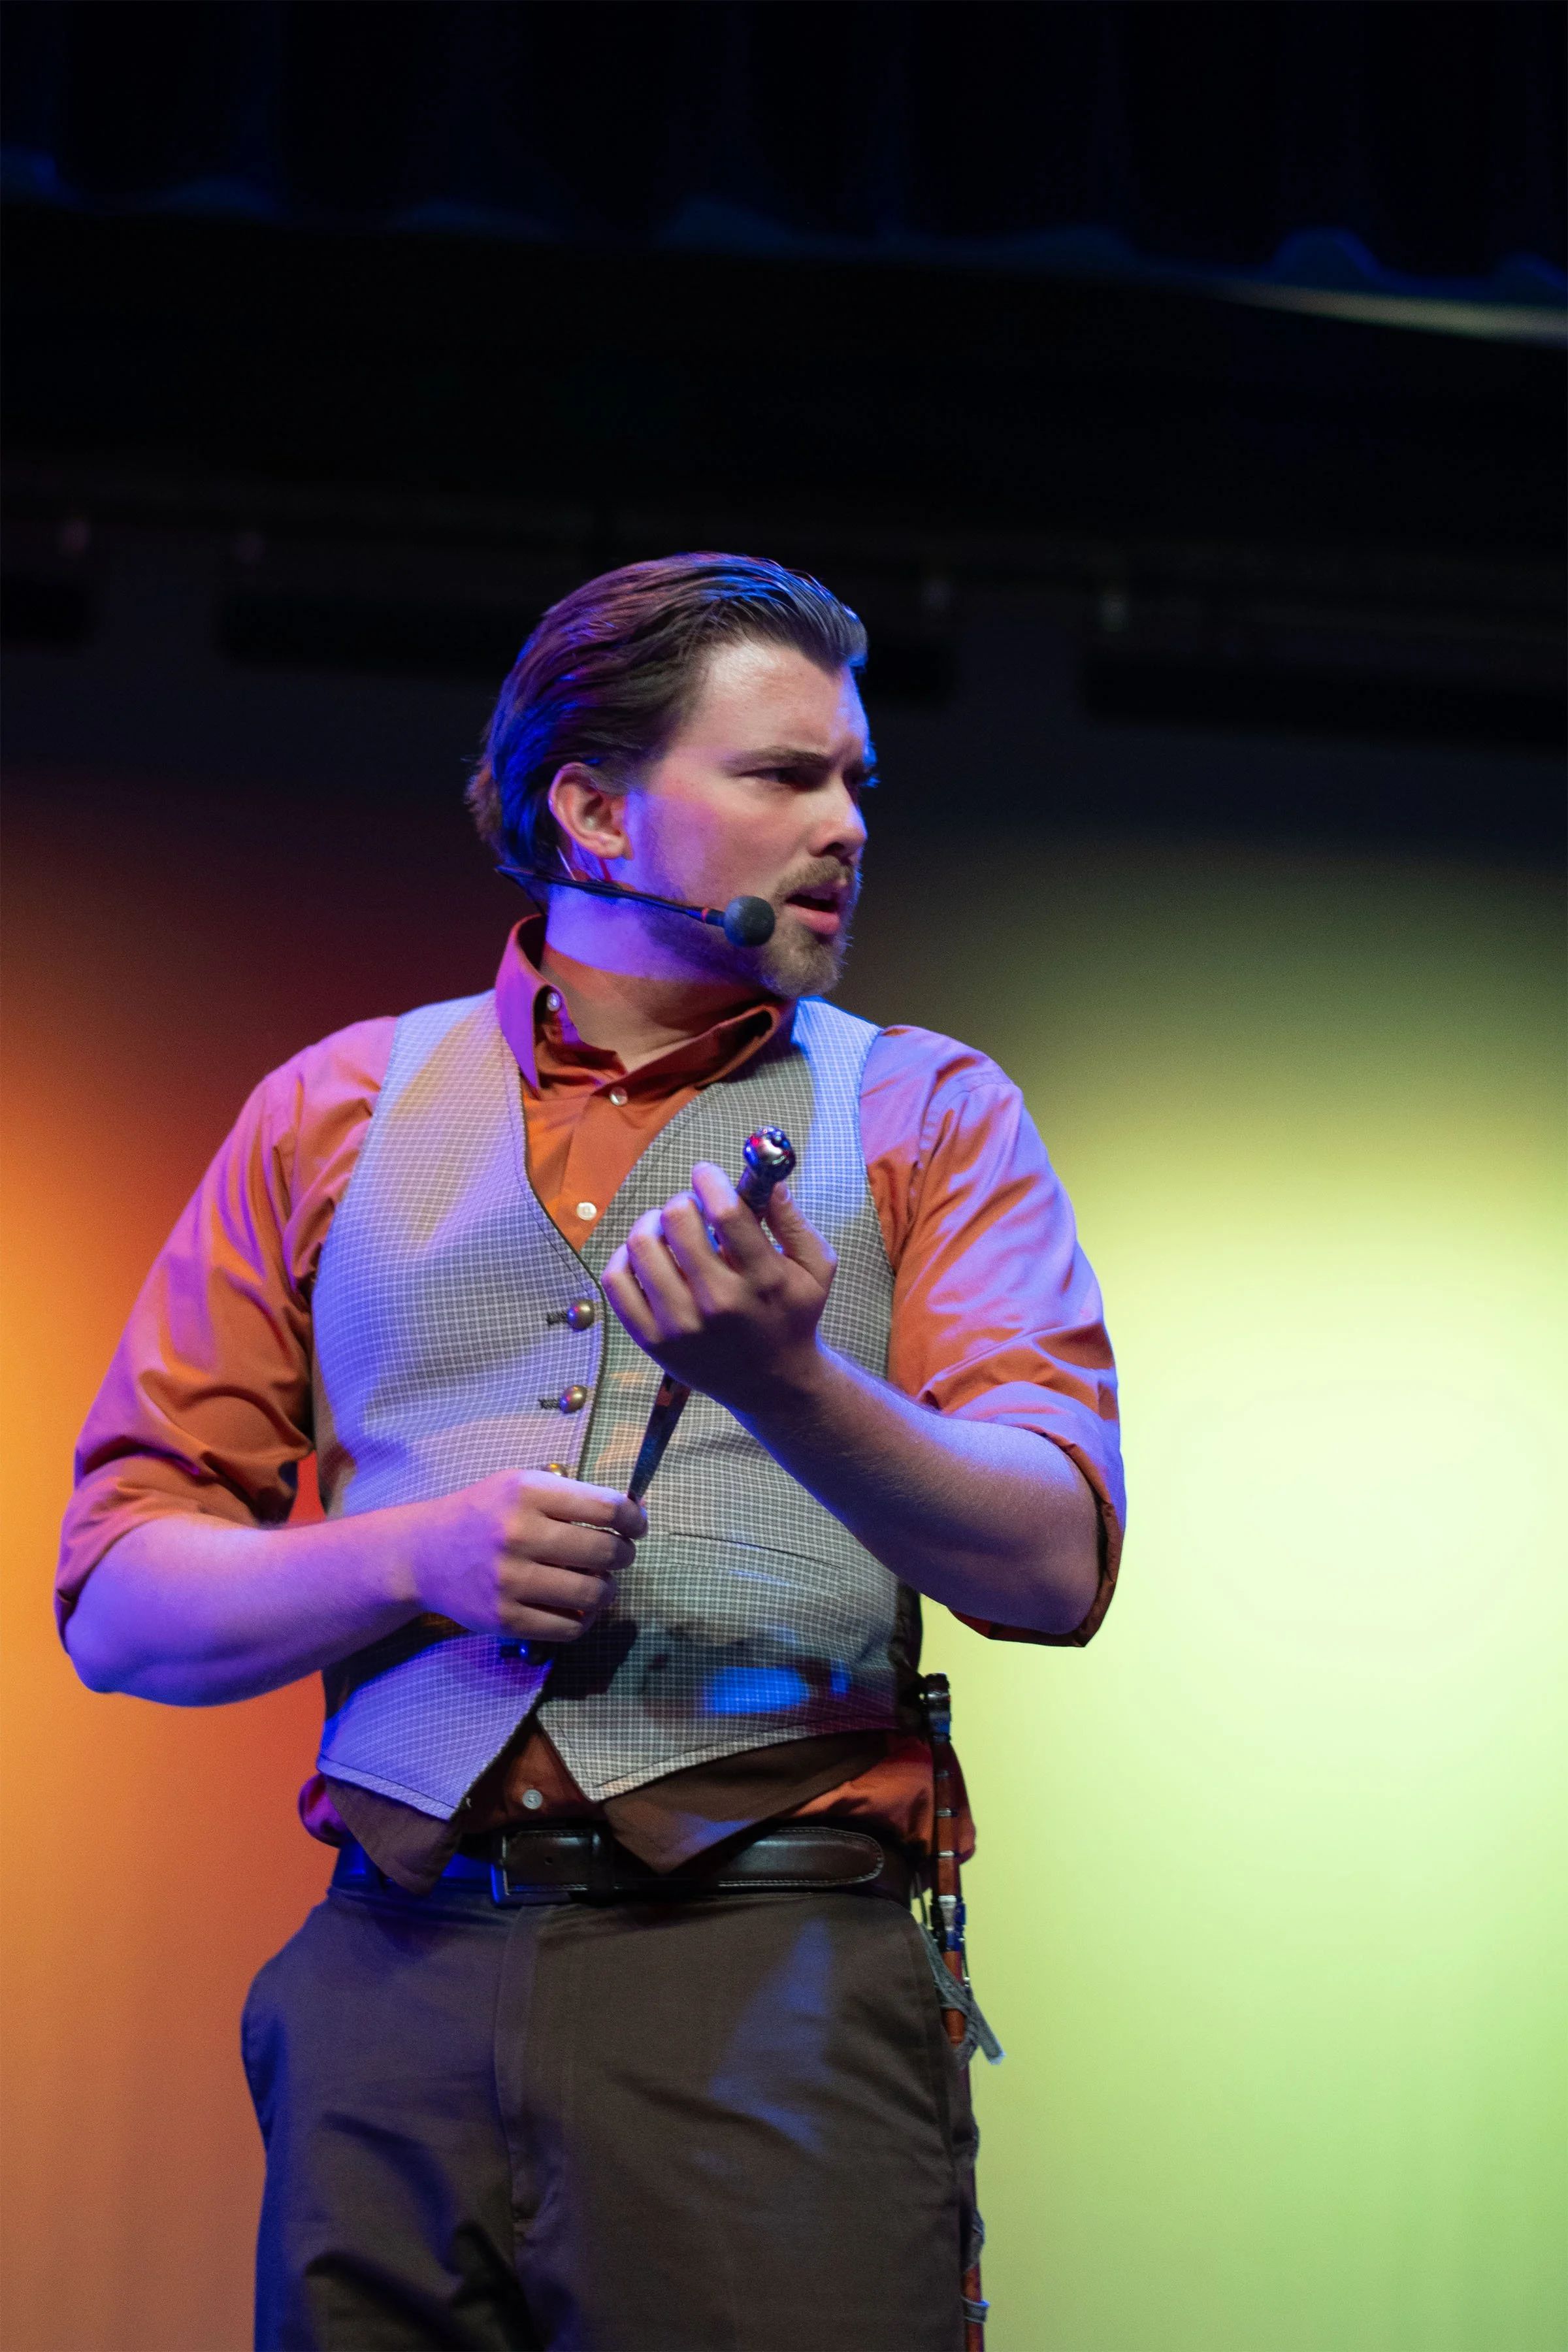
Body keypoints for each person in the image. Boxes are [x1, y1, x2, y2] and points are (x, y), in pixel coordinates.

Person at [58, 554, 1124, 2352]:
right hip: (390, 1979)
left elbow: (1054, 1564)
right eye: (785, 776)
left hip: (771, 1965)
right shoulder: (331, 1111)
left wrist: (790, 1378)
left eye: (857, 781)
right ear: (594, 810)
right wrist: (404, 1558)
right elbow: (120, 1607)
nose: (845, 824)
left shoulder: (933, 1113)